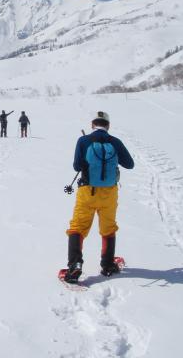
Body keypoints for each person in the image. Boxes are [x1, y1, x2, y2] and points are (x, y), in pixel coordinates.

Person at [63, 111, 134, 283]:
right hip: (109, 192)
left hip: (87, 191)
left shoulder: (84, 140)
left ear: (92, 124)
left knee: (78, 227)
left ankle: (75, 266)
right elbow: (129, 164)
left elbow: (76, 166)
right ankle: (108, 265)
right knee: (108, 227)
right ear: (107, 125)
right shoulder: (115, 142)